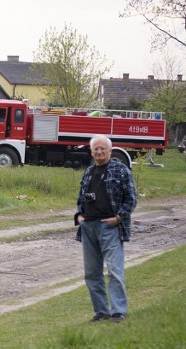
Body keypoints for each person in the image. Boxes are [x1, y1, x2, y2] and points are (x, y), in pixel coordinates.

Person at [74, 134, 137, 324]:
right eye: (96, 149)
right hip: (89, 227)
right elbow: (81, 199)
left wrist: (118, 218)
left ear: (110, 151)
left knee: (115, 270)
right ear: (92, 151)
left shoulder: (121, 170)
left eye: (103, 148)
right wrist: (79, 216)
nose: (99, 151)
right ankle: (101, 312)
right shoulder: (89, 171)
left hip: (110, 227)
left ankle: (119, 311)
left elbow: (131, 199)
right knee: (92, 273)